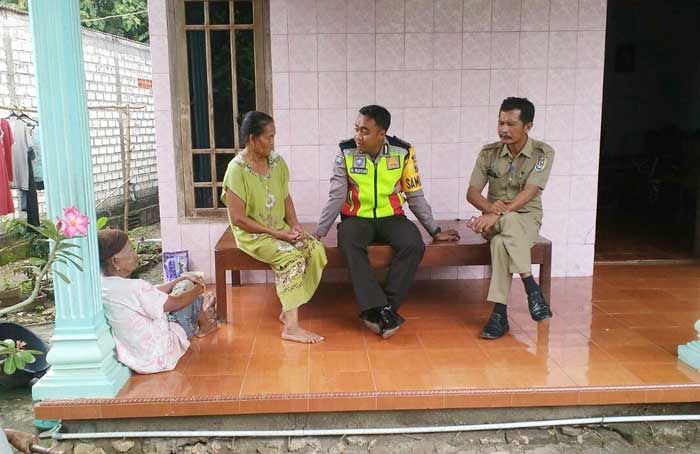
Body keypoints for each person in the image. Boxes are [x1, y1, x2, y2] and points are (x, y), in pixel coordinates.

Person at [316, 105, 459, 339]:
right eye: (357, 129)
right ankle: (381, 309)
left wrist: (434, 230)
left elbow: (414, 195)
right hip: (356, 218)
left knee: (413, 244)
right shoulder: (345, 152)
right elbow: (336, 195)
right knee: (349, 243)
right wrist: (319, 233)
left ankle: (384, 308)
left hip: (392, 217)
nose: (358, 136)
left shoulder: (403, 152)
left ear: (381, 134)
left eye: (365, 131)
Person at [221, 111, 327, 344]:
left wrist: (295, 225)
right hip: (253, 235)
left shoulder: (277, 162)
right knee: (292, 258)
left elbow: (285, 197)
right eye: (268, 137)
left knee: (314, 249)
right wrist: (276, 234)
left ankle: (289, 306)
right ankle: (291, 328)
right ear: (252, 138)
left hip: (280, 228)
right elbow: (238, 219)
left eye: (273, 137)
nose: (272, 142)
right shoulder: (236, 170)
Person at [466, 97, 555, 340]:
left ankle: (499, 315)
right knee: (506, 225)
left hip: (525, 218)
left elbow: (530, 192)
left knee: (500, 242)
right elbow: (472, 193)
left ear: (528, 126)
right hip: (492, 221)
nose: (503, 129)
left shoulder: (542, 153)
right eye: (500, 123)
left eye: (511, 124)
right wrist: (490, 210)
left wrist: (495, 214)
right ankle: (531, 288)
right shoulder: (489, 153)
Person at [98, 229, 218, 374]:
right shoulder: (134, 287)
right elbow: (176, 303)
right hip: (162, 352)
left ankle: (205, 310)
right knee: (187, 289)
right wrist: (198, 289)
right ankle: (206, 325)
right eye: (130, 251)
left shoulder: (103, 285)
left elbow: (151, 292)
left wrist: (179, 279)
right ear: (115, 261)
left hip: (139, 358)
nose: (135, 255)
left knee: (183, 285)